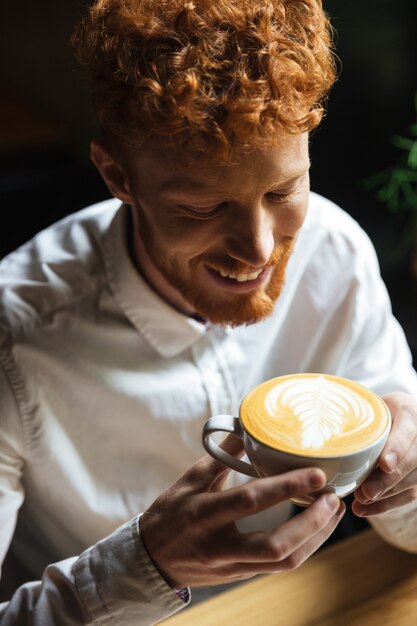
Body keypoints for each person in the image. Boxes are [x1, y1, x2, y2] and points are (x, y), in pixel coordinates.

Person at [1, 0, 417, 623]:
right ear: (118, 176)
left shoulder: (333, 252)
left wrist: (407, 484)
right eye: (201, 208)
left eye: (282, 191)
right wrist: (140, 567)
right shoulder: (14, 339)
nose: (258, 250)